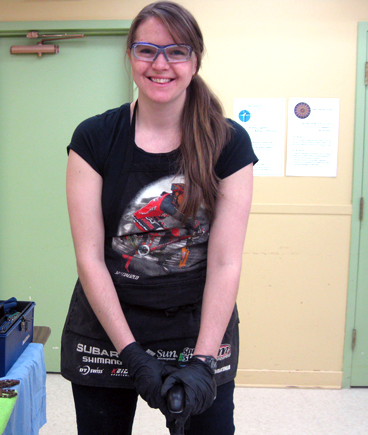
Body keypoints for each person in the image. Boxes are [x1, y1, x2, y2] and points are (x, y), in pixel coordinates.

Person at [60, 2, 258, 434]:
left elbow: (225, 262)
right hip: (108, 328)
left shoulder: (229, 143)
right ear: (130, 56)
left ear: (195, 60)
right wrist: (131, 353)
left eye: (176, 51)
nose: (161, 64)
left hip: (198, 327)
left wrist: (204, 363)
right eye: (147, 50)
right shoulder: (94, 138)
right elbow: (91, 258)